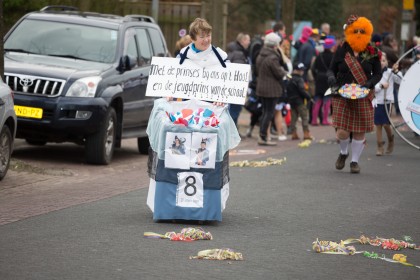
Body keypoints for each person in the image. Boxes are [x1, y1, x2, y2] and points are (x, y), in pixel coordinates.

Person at [327, 15, 382, 174]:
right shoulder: (342, 49)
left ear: (367, 32)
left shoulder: (372, 51)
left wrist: (369, 84)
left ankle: (354, 162)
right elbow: (331, 69)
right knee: (342, 131)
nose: (358, 33)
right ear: (350, 31)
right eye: (355, 30)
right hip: (342, 94)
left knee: (359, 131)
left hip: (363, 94)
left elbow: (377, 74)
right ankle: (344, 153)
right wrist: (331, 77)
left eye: (362, 31)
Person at [255, 32, 287, 145]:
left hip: (261, 87)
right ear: (275, 45)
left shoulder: (260, 55)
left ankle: (262, 136)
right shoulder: (273, 58)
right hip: (271, 89)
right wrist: (285, 72)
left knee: (265, 112)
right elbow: (279, 73)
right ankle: (263, 137)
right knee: (269, 113)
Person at [373, 52, 401, 156]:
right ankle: (379, 146)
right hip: (377, 102)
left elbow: (400, 80)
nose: (381, 63)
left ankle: (391, 139)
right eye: (379, 60)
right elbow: (372, 87)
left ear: (387, 62)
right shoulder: (374, 73)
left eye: (383, 60)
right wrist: (381, 85)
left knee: (385, 123)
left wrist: (396, 71)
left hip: (388, 101)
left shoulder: (390, 72)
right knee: (378, 124)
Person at [226, 32, 251, 126]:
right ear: (243, 41)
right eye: (248, 40)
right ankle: (232, 131)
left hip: (231, 86)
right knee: (235, 110)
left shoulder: (233, 51)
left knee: (232, 109)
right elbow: (239, 73)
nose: (249, 42)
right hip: (236, 88)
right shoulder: (239, 54)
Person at [311, 37, 337, 126]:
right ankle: (325, 120)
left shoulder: (319, 56)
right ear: (331, 46)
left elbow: (313, 68)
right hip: (328, 79)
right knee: (327, 100)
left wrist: (316, 77)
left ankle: (314, 120)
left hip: (319, 78)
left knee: (318, 99)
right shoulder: (333, 56)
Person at [287, 62, 313, 140]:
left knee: (293, 119)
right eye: (300, 70)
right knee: (304, 117)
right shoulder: (300, 79)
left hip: (291, 101)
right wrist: (309, 97)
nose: (302, 72)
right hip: (299, 101)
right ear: (296, 70)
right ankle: (306, 134)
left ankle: (294, 134)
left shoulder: (289, 79)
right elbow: (301, 90)